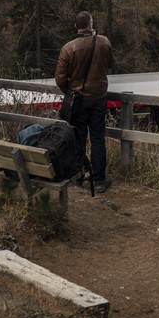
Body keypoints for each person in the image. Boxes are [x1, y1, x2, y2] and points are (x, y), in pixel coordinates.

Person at [55, 11, 115, 193]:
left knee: (79, 138)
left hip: (78, 100)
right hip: (98, 98)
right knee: (97, 138)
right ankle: (99, 179)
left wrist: (71, 92)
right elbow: (111, 64)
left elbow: (60, 78)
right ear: (90, 24)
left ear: (76, 27)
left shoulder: (68, 48)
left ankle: (79, 176)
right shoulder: (103, 42)